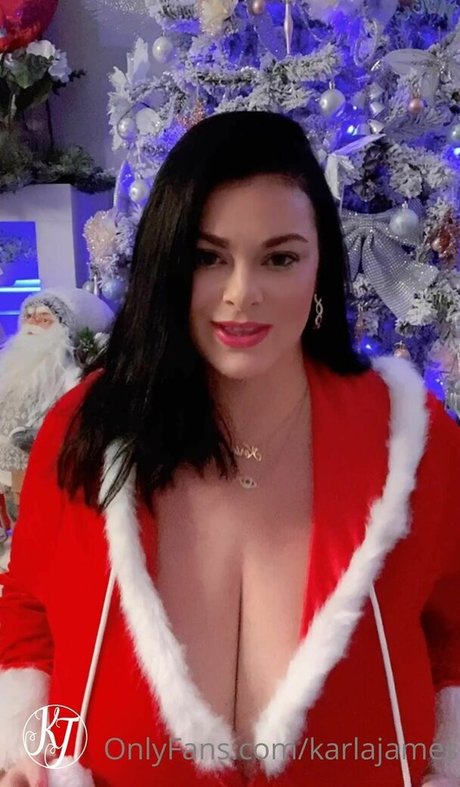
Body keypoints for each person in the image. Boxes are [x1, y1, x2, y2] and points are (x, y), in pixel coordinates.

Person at [0, 111, 459, 787]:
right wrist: (27, 748)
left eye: (280, 258)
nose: (243, 294)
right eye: (208, 257)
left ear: (320, 266)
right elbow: (27, 608)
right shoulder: (89, 430)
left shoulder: (413, 441)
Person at [0, 287, 113, 573]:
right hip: (10, 470)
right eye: (29, 316)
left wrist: (38, 436)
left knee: (42, 519)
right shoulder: (10, 370)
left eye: (44, 318)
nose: (33, 324)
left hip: (47, 468)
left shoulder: (68, 375)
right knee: (18, 514)